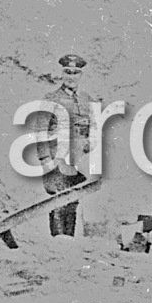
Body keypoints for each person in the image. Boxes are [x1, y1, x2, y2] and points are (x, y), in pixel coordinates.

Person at [30, 53, 96, 237]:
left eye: (75, 73)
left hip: (76, 162)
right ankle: (58, 245)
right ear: (62, 74)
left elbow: (91, 128)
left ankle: (68, 245)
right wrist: (45, 160)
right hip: (56, 160)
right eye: (67, 72)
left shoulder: (86, 99)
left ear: (81, 75)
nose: (71, 76)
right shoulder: (51, 98)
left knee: (73, 202)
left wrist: (89, 145)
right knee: (58, 203)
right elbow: (41, 131)